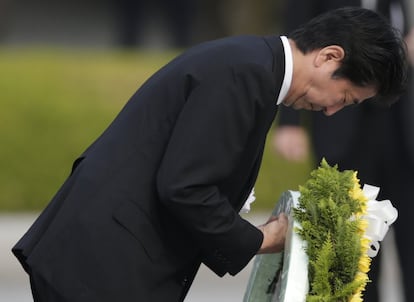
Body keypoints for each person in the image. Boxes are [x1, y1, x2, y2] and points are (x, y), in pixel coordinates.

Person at [12, 7, 407, 302]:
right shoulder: (247, 74)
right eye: (344, 97)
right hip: (102, 266)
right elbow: (186, 187)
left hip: (105, 259)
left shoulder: (255, 65)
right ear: (328, 57)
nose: (332, 110)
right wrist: (259, 239)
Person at [273, 1, 414, 301]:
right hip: (343, 128)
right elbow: (298, 42)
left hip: (403, 131)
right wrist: (290, 121)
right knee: (349, 247)